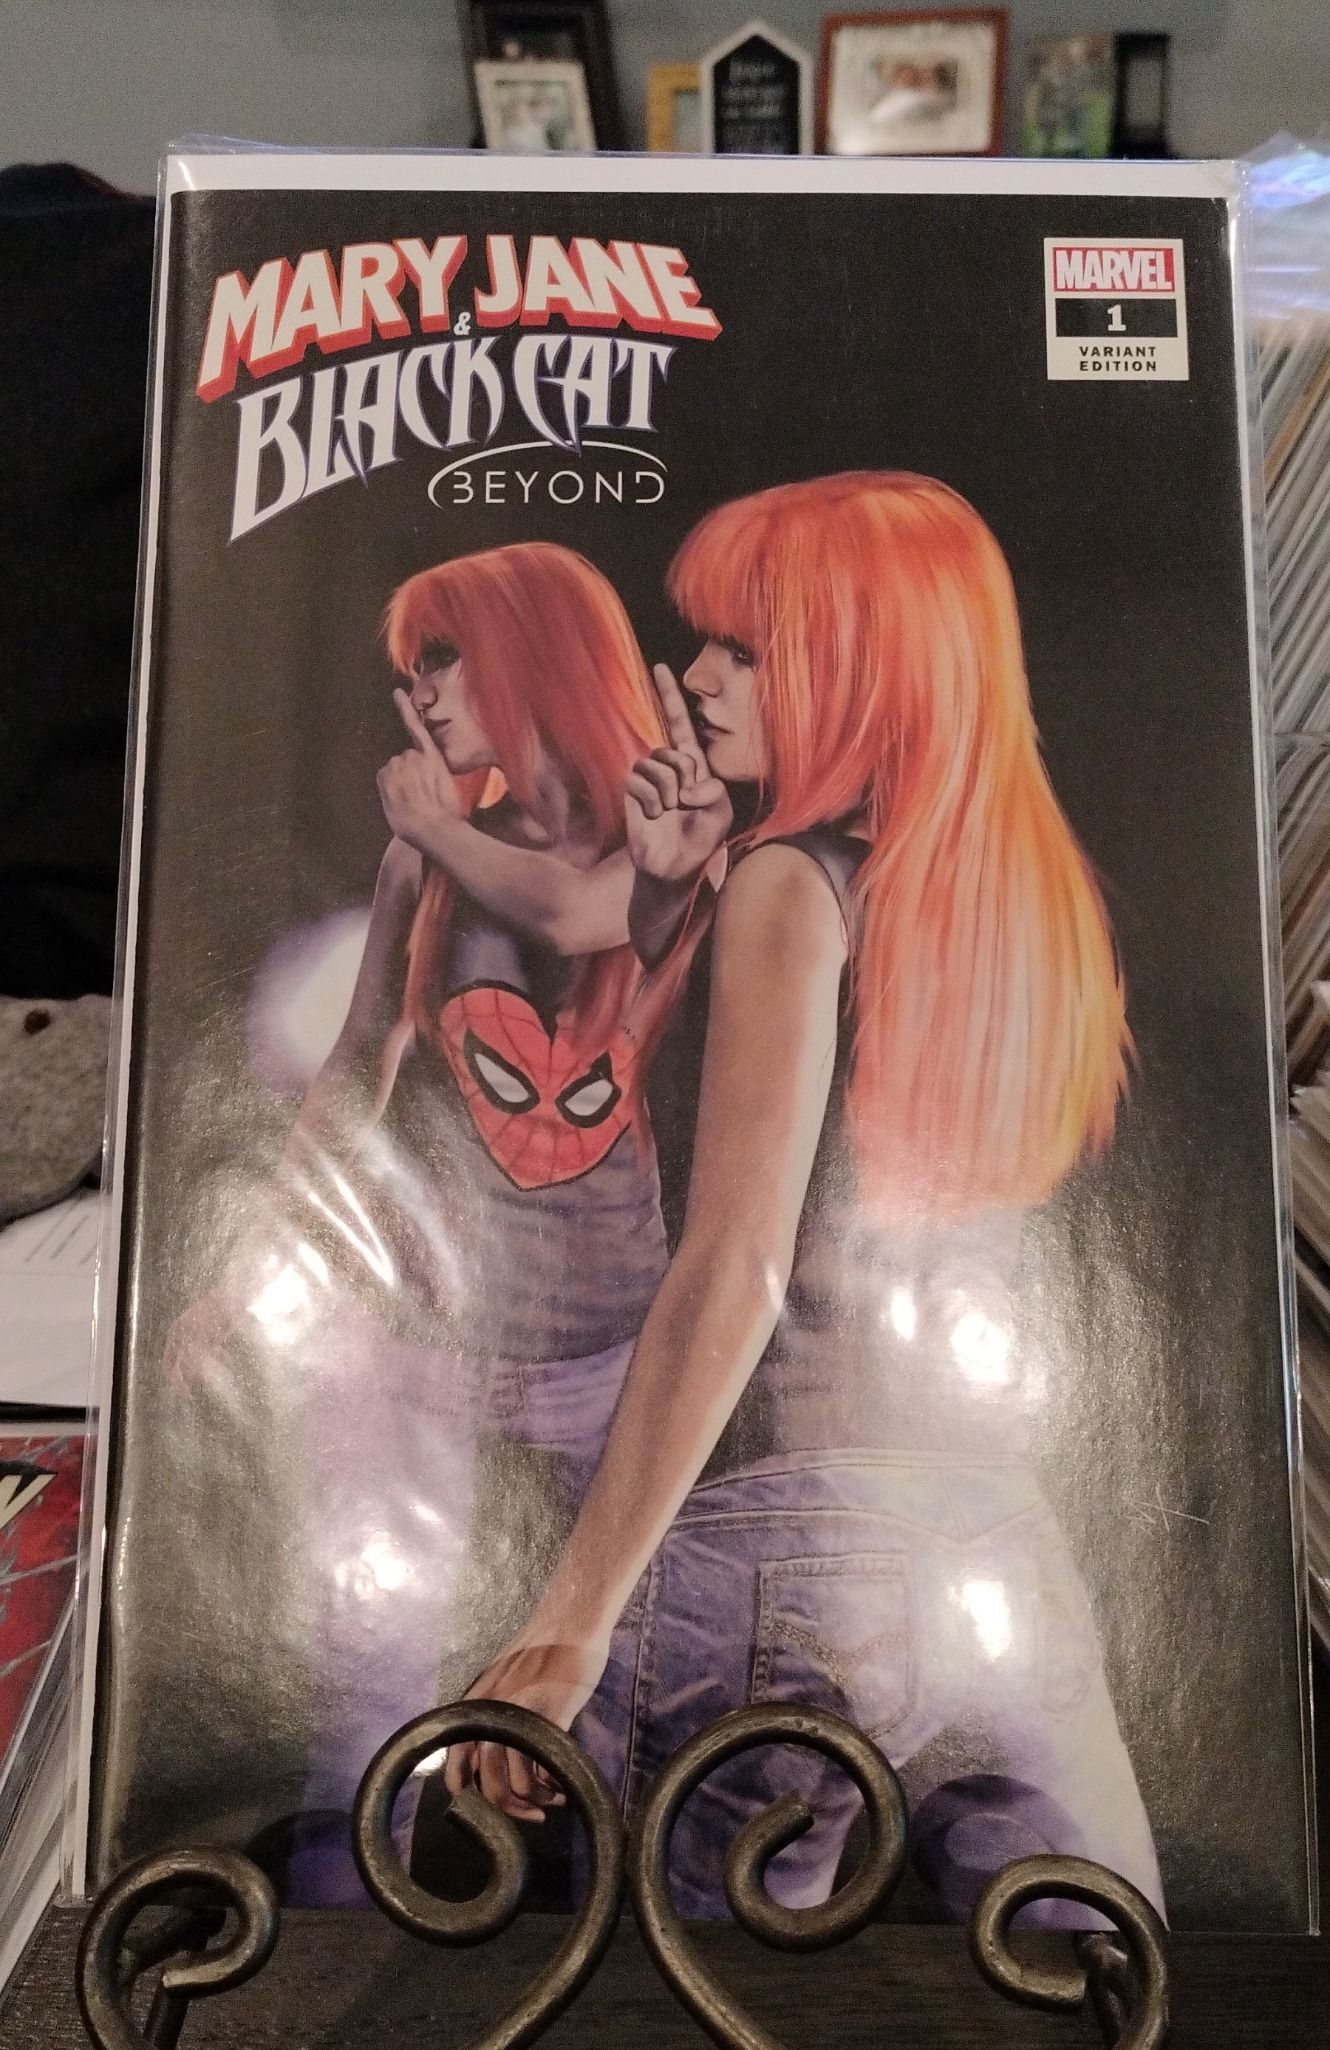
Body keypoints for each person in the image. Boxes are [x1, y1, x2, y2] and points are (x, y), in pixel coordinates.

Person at [443, 472, 1165, 1924]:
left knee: (700, 1996)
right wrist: (674, 904)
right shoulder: (1016, 899)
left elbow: (740, 1264)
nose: (699, 679)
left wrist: (567, 1621)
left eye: (748, 648)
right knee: (1092, 1963)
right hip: (995, 1548)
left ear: (865, 666)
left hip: (783, 1547)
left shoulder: (789, 883)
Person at [170, 540, 678, 1903]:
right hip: (430, 1345)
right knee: (371, 1685)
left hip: (613, 1356)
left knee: (625, 1702)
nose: (423, 696)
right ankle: (333, 1954)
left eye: (443, 659)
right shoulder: (430, 859)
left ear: (530, 652)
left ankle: (630, 1960)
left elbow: (584, 908)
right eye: (413, 671)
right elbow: (356, 1067)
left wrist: (436, 828)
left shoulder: (668, 835)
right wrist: (246, 1272)